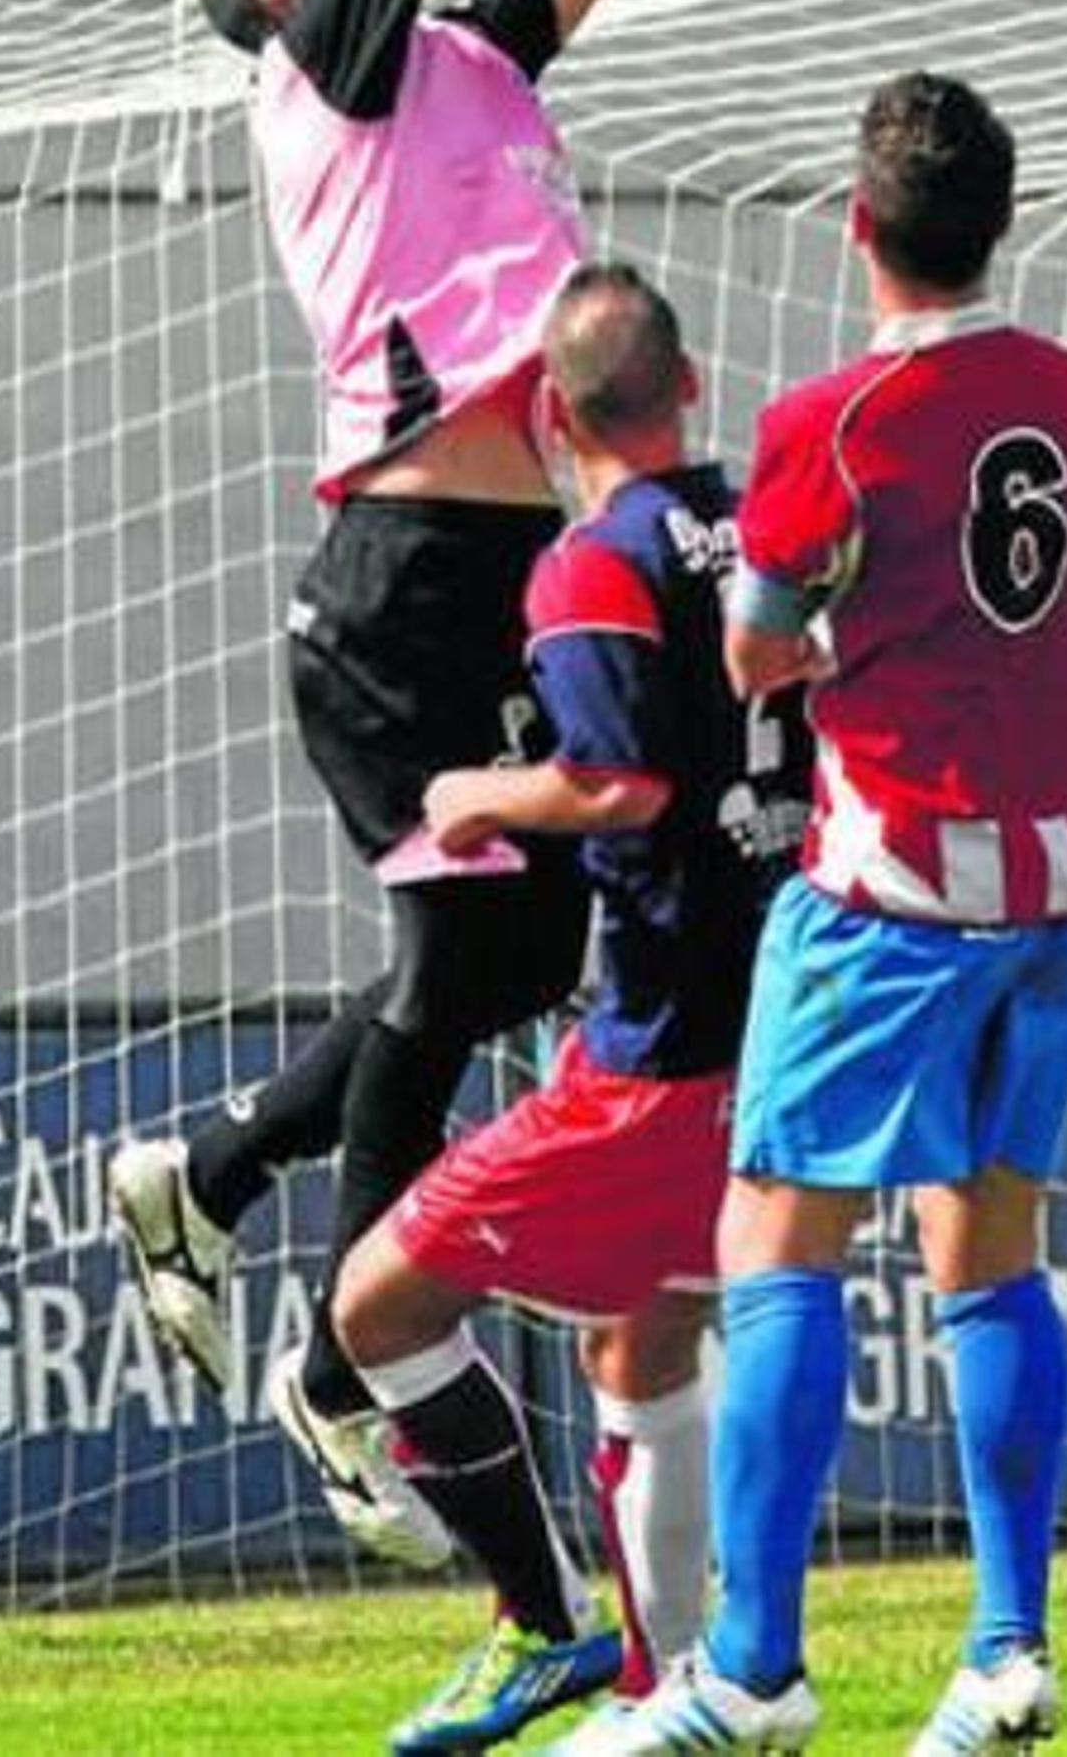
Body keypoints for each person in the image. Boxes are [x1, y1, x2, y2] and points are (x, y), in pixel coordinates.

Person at [108, 0, 675, 1573]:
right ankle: (347, 1372)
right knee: (462, 959)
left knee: (508, 947)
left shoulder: (473, 54)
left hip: (513, 572)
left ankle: (220, 1178)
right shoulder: (316, 63)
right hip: (402, 581)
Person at [551, 73, 1067, 1757]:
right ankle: (1004, 1649)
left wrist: (814, 630)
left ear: (859, 227)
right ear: (997, 220)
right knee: (990, 1242)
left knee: (775, 1236)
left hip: (896, 885)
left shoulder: (834, 422)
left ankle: (750, 1669)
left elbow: (754, 646)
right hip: (1063, 882)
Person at [328, 263, 811, 1754]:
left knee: (376, 1306)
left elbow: (616, 782)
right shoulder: (766, 526)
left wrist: (476, 793)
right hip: (782, 1008)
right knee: (641, 1349)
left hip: (654, 1056)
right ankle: (687, 1690)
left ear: (550, 410)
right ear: (689, 386)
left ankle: (546, 1626)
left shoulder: (592, 562)